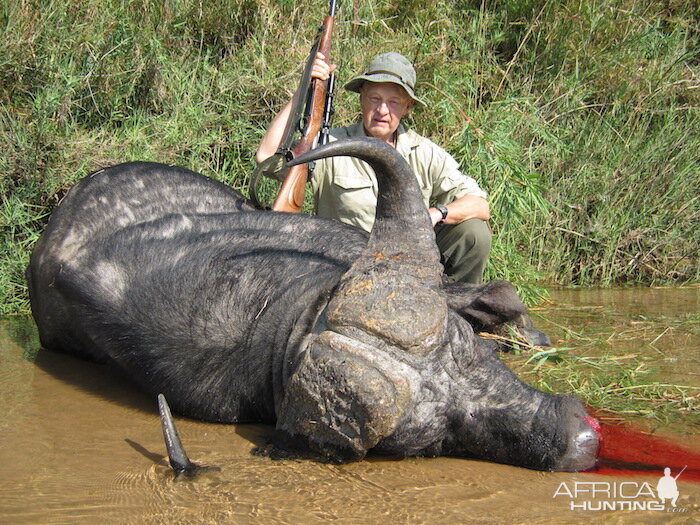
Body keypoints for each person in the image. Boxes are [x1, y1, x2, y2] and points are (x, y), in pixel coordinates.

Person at [256, 51, 491, 284]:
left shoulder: (426, 153)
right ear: (361, 97)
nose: (382, 111)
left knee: (473, 233)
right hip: (343, 267)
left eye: (393, 102)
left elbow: (479, 204)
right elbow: (266, 156)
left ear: (408, 107)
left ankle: (459, 312)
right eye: (374, 99)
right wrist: (304, 89)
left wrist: (436, 214)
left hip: (408, 266)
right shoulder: (332, 146)